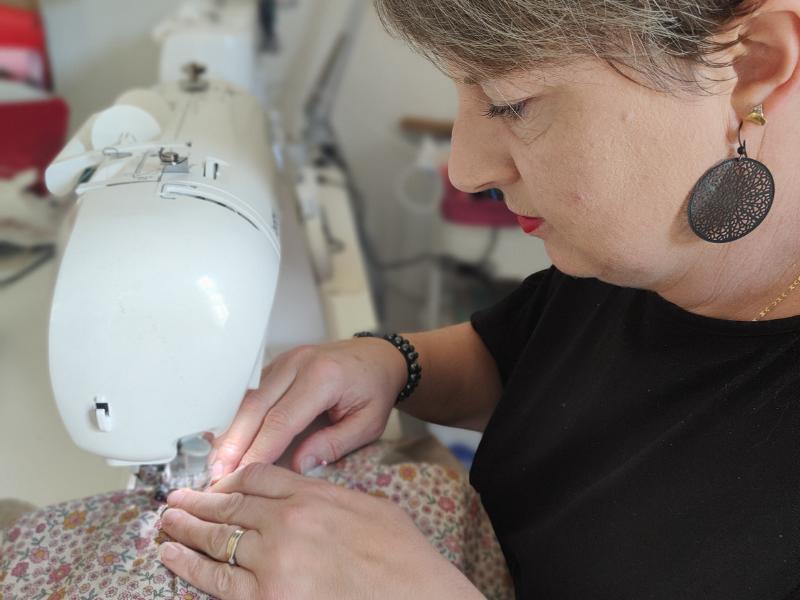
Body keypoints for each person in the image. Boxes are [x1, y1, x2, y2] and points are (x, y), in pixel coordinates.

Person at [155, 0, 800, 598]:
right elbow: (515, 359)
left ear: (749, 65)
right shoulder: (622, 261)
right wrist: (388, 363)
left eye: (512, 103)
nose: (464, 169)